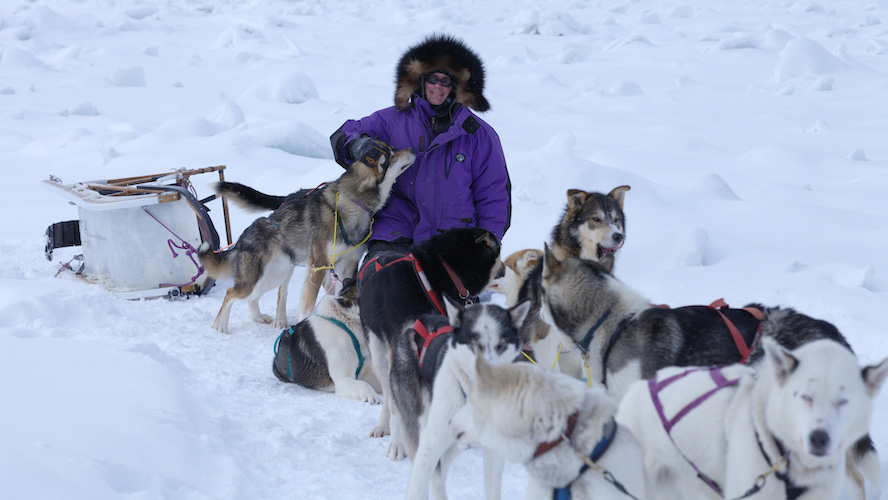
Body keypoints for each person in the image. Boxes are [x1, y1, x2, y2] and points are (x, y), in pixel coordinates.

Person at [330, 33, 511, 257]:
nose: (438, 86)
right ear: (421, 81)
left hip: (455, 239)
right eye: (433, 79)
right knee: (384, 283)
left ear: (458, 87)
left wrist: (487, 246)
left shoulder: (479, 135)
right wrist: (356, 145)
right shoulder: (393, 120)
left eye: (446, 81)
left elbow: (494, 196)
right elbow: (345, 132)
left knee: (443, 292)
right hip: (396, 230)